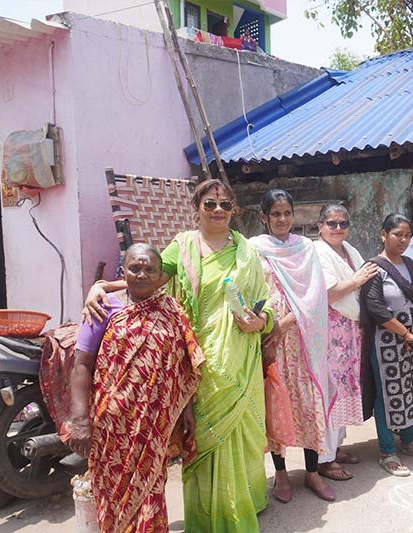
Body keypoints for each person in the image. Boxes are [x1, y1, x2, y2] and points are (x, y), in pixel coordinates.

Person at [83, 179, 274, 532]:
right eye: (210, 204)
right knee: (202, 439)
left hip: (242, 357)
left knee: (242, 435)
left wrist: (260, 321)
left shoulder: (247, 251)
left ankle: (245, 505)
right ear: (197, 208)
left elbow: (268, 300)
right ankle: (205, 519)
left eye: (225, 205)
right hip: (201, 360)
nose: (218, 210)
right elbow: (145, 277)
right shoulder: (183, 246)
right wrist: (103, 287)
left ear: (234, 210)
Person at [66, 243, 204, 532]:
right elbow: (81, 365)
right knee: (112, 492)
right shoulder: (103, 307)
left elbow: (183, 364)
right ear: (124, 271)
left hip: (155, 424)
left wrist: (186, 409)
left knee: (151, 488)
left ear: (158, 275)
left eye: (149, 269)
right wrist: (80, 420)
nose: (142, 274)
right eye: (134, 268)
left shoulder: (170, 310)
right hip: (111, 423)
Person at [250, 189, 335, 502]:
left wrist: (285, 322)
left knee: (309, 406)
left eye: (287, 213)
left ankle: (312, 473)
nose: (282, 219)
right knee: (276, 407)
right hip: (271, 343)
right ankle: (281, 476)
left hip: (303, 341)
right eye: (275, 214)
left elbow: (316, 295)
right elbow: (250, 290)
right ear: (264, 217)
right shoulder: (253, 249)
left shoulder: (306, 248)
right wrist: (267, 326)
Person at [360, 213, 413, 477]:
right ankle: (388, 450)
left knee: (412, 388)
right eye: (397, 235)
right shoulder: (374, 268)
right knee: (388, 394)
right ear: (383, 234)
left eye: (407, 235)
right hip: (387, 343)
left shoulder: (411, 265)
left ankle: (409, 440)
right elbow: (376, 308)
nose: (403, 240)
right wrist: (405, 333)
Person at [312, 204, 379, 481]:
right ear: (320, 226)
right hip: (330, 332)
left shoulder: (350, 251)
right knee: (329, 393)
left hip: (350, 332)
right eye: (332, 223)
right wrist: (356, 280)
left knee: (345, 390)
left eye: (343, 223)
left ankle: (336, 448)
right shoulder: (318, 252)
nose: (338, 228)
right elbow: (327, 294)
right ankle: (323, 459)